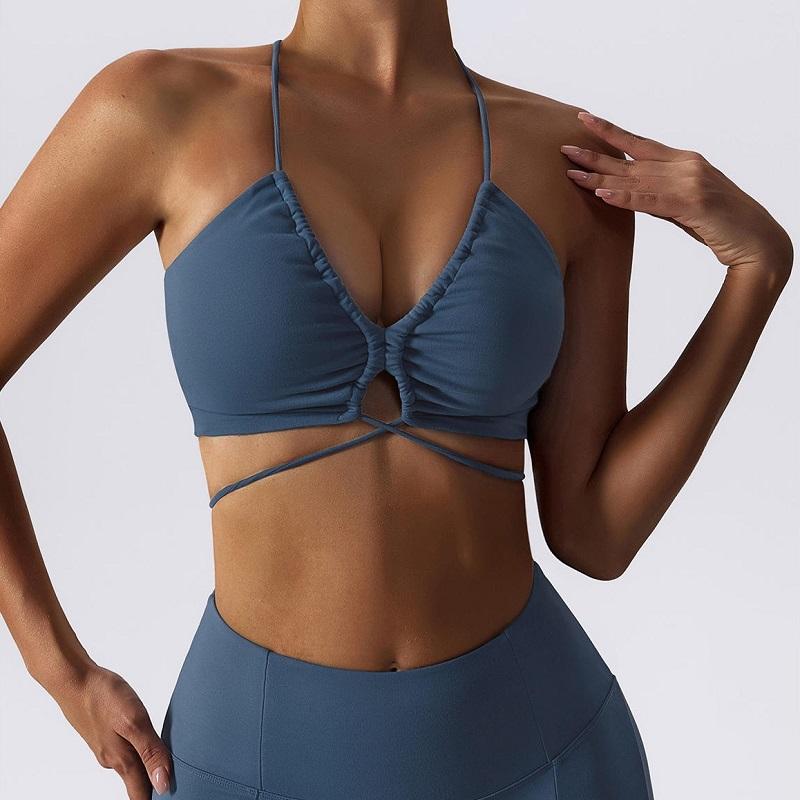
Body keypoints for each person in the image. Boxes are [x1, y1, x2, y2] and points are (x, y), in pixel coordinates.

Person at [0, 3, 792, 799]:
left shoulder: (565, 158)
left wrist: (756, 272)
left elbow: (595, 533)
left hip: (544, 752)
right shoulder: (158, 108)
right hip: (254, 759)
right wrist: (60, 670)